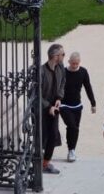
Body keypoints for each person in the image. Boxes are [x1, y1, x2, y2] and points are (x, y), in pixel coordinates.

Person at [60, 51, 96, 162]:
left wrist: (93, 103)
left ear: (79, 62)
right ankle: (71, 150)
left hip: (77, 105)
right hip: (64, 104)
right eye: (72, 63)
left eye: (76, 63)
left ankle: (72, 150)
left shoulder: (83, 72)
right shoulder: (63, 72)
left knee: (75, 128)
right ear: (69, 61)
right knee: (72, 126)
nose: (74, 65)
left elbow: (88, 87)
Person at [41, 43, 66, 174]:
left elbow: (63, 82)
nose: (64, 56)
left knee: (54, 134)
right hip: (41, 108)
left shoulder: (60, 67)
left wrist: (59, 98)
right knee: (40, 135)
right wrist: (47, 106)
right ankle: (36, 161)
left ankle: (46, 163)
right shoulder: (41, 71)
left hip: (54, 106)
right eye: (62, 54)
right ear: (55, 56)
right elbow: (36, 94)